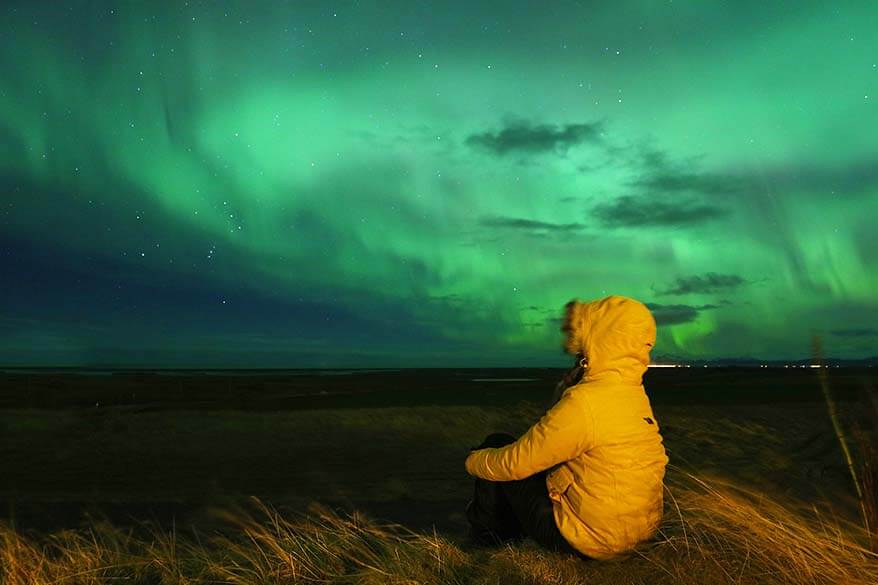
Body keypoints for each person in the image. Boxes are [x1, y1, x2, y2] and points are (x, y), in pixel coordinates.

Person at [464, 295, 669, 559]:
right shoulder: (633, 394)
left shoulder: (585, 402)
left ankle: (486, 544)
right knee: (517, 460)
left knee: (496, 446)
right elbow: (557, 440)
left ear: (598, 341)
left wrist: (473, 461)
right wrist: (566, 391)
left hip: (591, 542)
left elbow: (518, 462)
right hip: (636, 536)